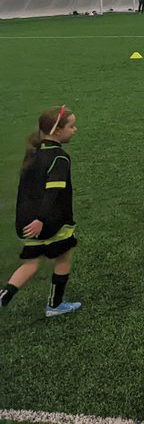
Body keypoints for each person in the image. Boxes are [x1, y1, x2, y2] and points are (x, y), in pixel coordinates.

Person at [1, 106, 83, 316]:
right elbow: (52, 193)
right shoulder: (60, 158)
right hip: (51, 220)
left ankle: (3, 298)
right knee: (65, 254)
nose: (75, 130)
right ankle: (55, 305)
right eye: (71, 126)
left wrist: (29, 218)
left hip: (26, 221)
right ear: (57, 131)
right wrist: (41, 219)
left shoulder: (33, 153)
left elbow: (25, 191)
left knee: (32, 263)